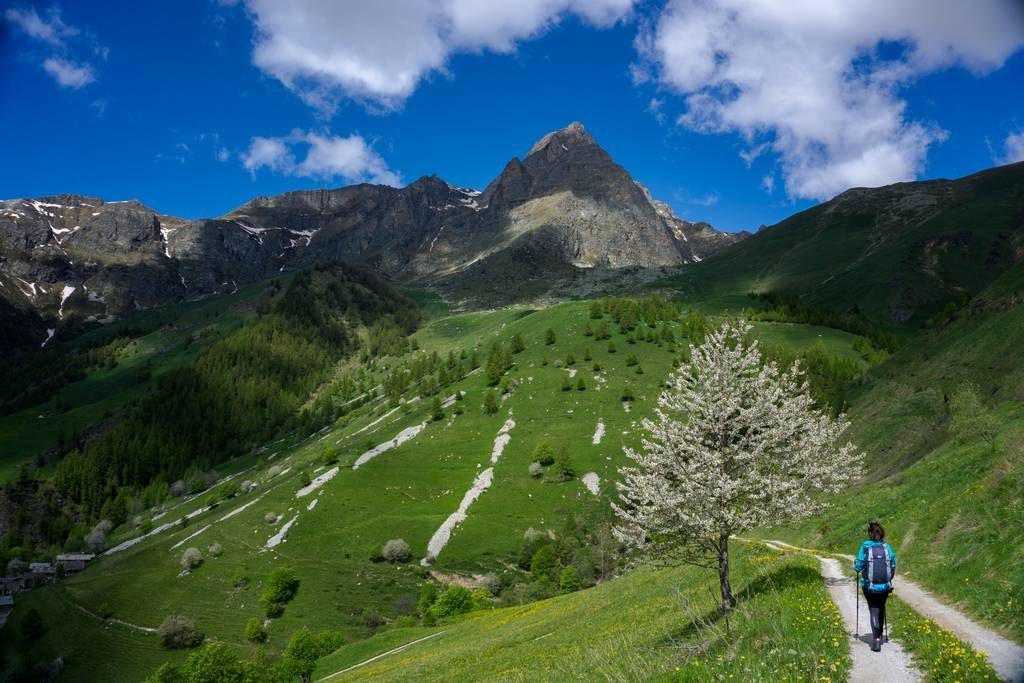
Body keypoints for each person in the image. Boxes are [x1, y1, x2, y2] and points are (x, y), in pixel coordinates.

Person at [854, 521, 897, 652]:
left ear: (870, 533)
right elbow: (893, 564)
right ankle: (879, 635)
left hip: (869, 586)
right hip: (884, 586)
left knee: (873, 608)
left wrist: (857, 565)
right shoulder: (886, 547)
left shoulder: (866, 547)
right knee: (881, 607)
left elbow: (858, 567)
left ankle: (876, 639)